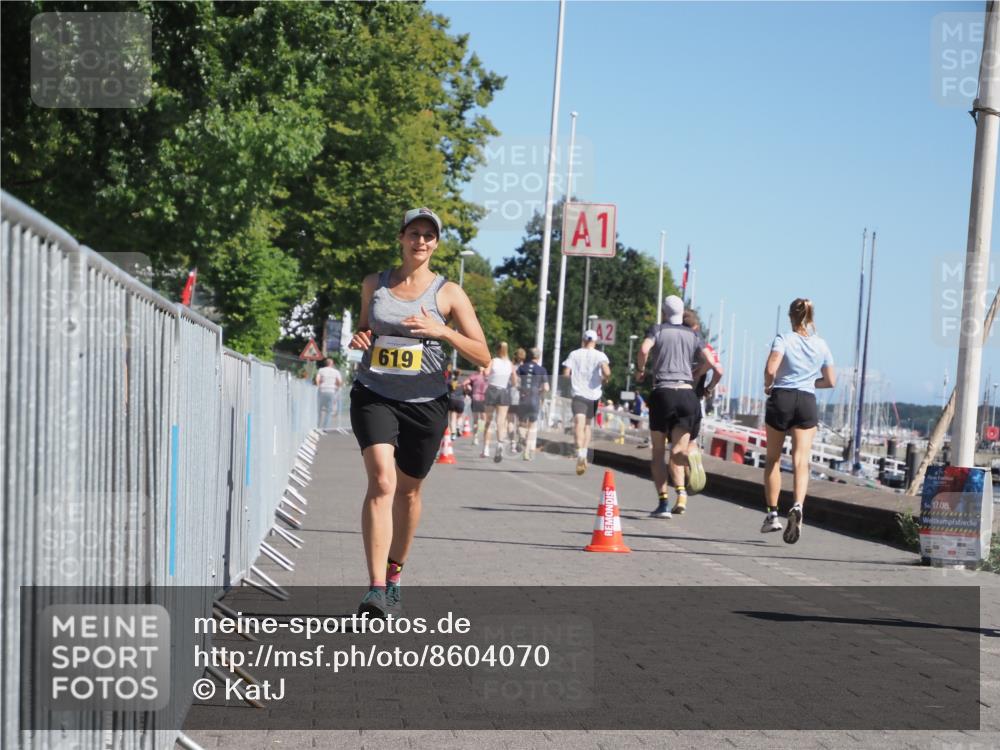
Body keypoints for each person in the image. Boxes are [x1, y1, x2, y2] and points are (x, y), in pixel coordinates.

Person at [348, 207, 490, 618]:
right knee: (381, 481)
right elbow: (365, 330)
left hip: (426, 404)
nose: (421, 241)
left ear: (437, 244)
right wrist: (361, 338)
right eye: (414, 233)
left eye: (429, 235)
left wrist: (443, 331)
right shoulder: (375, 284)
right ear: (401, 237)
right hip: (374, 393)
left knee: (408, 493)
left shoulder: (448, 293)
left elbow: (481, 354)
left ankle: (394, 574)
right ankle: (375, 589)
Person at [636, 295, 721, 518]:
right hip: (687, 394)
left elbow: (644, 350)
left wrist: (641, 369)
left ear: (664, 312)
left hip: (663, 392)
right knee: (677, 452)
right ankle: (690, 458)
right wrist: (700, 377)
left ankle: (663, 503)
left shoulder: (657, 330)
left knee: (657, 453)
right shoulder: (693, 334)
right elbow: (712, 362)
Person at [761, 298, 835, 543]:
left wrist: (768, 385)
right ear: (811, 318)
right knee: (801, 460)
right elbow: (830, 381)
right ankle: (798, 506)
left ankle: (773, 514)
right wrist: (809, 382)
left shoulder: (783, 339)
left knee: (773, 458)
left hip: (781, 397)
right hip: (806, 400)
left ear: (791, 317)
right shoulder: (821, 345)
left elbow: (771, 368)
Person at [682, 309, 723, 497]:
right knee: (691, 441)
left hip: (677, 394)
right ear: (696, 327)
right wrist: (708, 387)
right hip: (696, 399)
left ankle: (683, 488)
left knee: (676, 445)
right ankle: (693, 465)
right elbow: (719, 370)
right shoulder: (704, 346)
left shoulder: (678, 343)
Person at [562, 330, 611, 475]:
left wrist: (571, 381)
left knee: (578, 424)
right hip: (593, 395)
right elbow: (607, 372)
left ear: (583, 339)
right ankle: (584, 452)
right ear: (595, 341)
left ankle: (580, 453)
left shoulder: (574, 354)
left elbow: (565, 373)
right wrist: (604, 379)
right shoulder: (600, 355)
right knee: (588, 425)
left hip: (578, 394)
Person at [481, 341, 516, 462]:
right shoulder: (510, 364)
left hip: (492, 390)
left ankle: (486, 448)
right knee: (501, 421)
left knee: (489, 421)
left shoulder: (493, 361)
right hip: (503, 391)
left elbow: (486, 373)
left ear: (497, 350)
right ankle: (500, 444)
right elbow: (515, 381)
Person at [516, 347, 549, 461]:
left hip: (523, 398)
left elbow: (515, 382)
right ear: (538, 357)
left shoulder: (521, 368)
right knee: (532, 426)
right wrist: (540, 392)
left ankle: (521, 437)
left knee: (521, 423)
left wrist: (520, 389)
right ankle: (527, 451)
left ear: (529, 356)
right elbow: (546, 387)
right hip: (535, 399)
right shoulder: (542, 370)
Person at [461, 366, 489, 444]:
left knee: (477, 420)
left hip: (477, 398)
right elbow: (464, 383)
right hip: (482, 399)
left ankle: (476, 437)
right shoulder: (484, 376)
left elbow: (464, 383)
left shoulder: (475, 376)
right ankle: (479, 436)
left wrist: (467, 390)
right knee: (482, 419)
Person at [315, 357, 343, 430]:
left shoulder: (321, 370)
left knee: (319, 409)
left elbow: (317, 380)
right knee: (329, 410)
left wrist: (319, 387)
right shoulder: (336, 372)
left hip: (322, 391)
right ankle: (325, 427)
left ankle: (318, 425)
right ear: (332, 364)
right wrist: (337, 389)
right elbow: (339, 382)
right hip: (331, 391)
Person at [446, 368, 465, 440]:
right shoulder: (463, 382)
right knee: (460, 416)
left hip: (452, 400)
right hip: (460, 401)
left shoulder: (450, 382)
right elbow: (466, 391)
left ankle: (453, 434)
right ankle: (458, 426)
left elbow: (446, 390)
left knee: (452, 418)